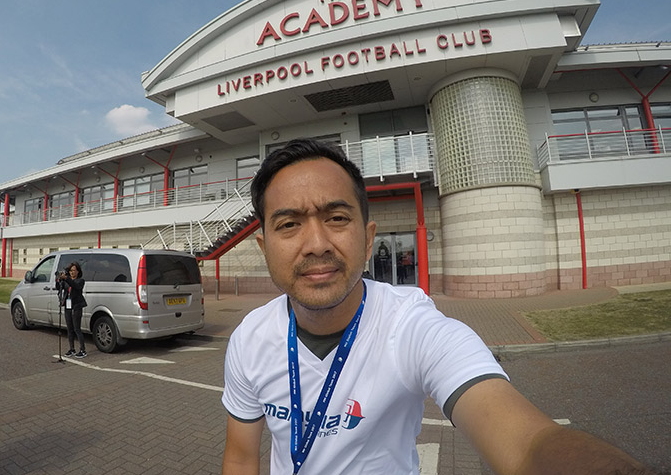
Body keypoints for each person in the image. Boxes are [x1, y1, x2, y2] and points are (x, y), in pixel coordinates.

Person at [221, 139, 653, 475]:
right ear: (264, 247)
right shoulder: (249, 339)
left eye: (337, 218)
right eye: (289, 224)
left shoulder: (412, 326)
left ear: (368, 239)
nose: (316, 244)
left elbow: (526, 444)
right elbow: (241, 459)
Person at [58, 261, 87, 358]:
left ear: (78, 271)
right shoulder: (67, 281)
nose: (72, 272)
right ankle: (72, 349)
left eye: (74, 271)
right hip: (68, 306)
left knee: (77, 329)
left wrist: (67, 278)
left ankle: (82, 350)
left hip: (77, 306)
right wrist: (59, 280)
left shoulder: (80, 281)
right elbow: (59, 288)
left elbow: (75, 285)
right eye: (70, 271)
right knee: (69, 329)